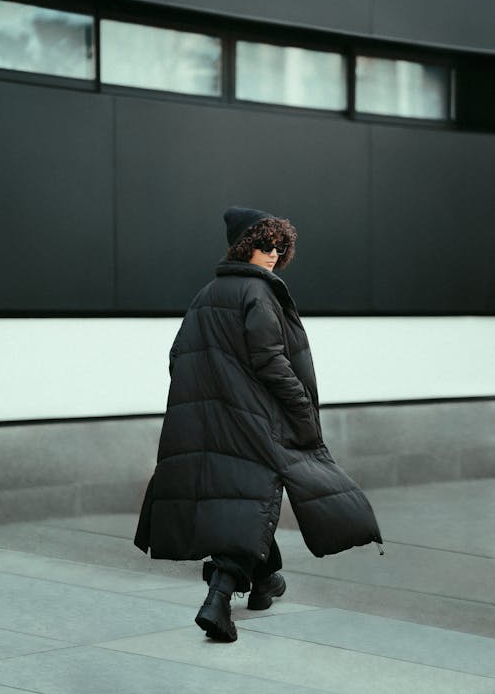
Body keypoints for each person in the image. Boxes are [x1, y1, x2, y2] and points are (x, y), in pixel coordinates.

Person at [134, 206, 383, 643]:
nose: (272, 253)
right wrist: (302, 412)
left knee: (242, 501)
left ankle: (266, 582)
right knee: (256, 501)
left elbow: (178, 357)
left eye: (279, 246)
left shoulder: (206, 294)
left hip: (215, 420)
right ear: (245, 247)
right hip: (257, 420)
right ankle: (218, 600)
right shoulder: (259, 294)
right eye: (264, 244)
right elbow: (272, 362)